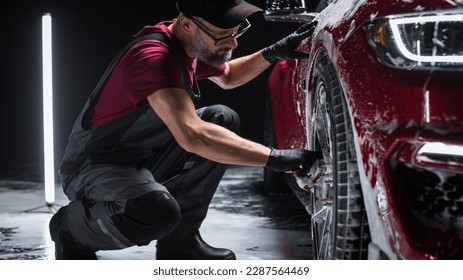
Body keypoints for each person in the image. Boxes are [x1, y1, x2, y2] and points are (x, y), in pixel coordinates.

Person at [50, 0, 320, 260]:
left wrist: (273, 51)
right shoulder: (153, 58)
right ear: (188, 24)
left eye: (237, 33)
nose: (234, 43)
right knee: (156, 212)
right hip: (95, 165)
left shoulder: (189, 43)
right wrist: (275, 158)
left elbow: (228, 76)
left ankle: (180, 242)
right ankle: (71, 229)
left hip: (144, 155)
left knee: (220, 119)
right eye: (223, 36)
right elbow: (193, 136)